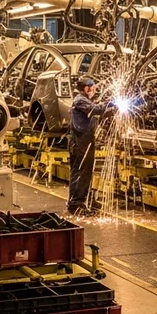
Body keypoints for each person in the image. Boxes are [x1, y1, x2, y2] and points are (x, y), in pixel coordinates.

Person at [68, 77, 113, 216]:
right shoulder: (80, 100)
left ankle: (82, 201)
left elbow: (97, 112)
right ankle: (76, 204)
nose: (94, 90)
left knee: (84, 173)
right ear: (86, 88)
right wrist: (112, 102)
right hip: (80, 142)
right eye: (93, 88)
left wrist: (112, 111)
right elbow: (96, 109)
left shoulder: (84, 101)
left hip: (84, 141)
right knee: (81, 172)